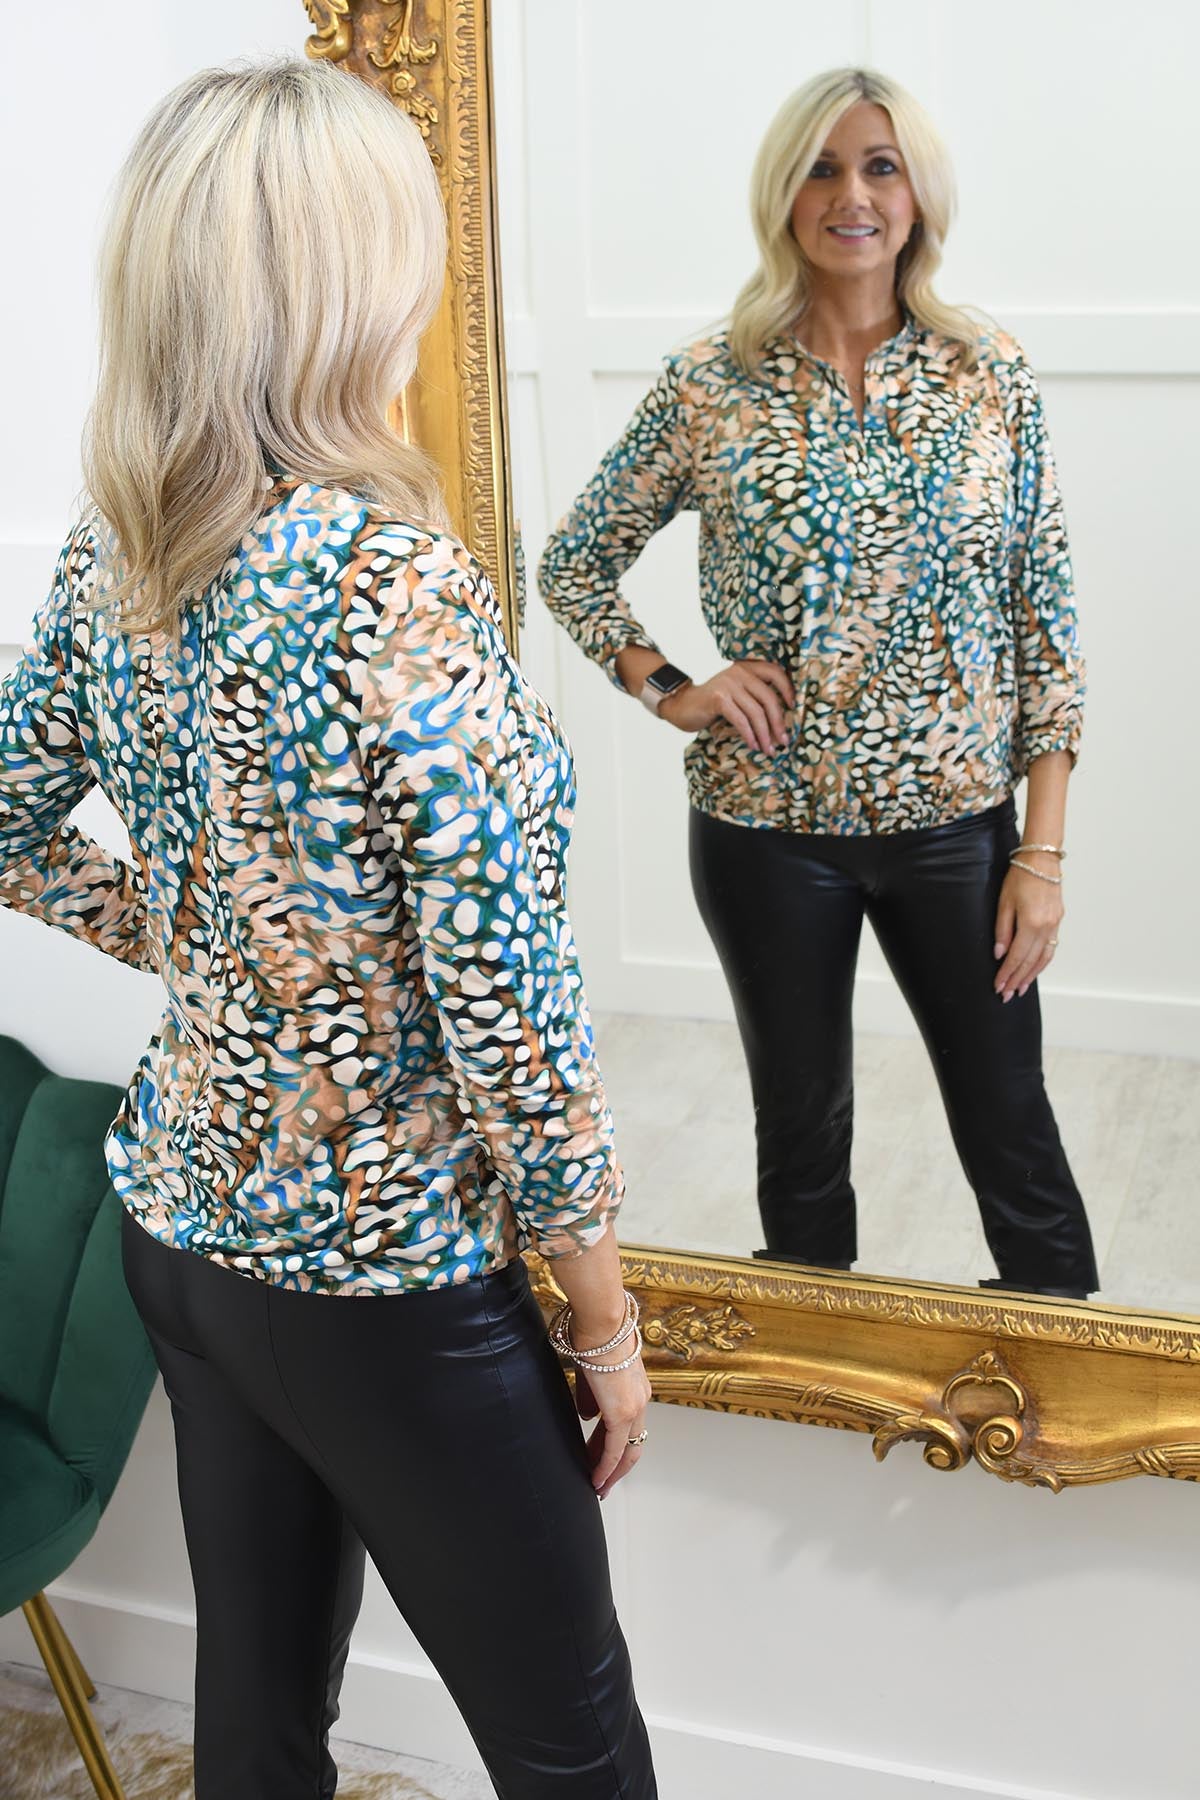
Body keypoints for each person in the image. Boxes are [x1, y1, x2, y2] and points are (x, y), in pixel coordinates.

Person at [0, 58, 657, 1800]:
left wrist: (215, 944)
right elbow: (507, 1007)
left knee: (260, 1717)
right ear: (351, 280)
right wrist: (601, 1318)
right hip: (382, 1283)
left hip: (186, 1236)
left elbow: (4, 816)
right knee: (577, 1754)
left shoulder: (117, 551)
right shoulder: (392, 587)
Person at [538, 66, 1098, 1301]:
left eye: (880, 167)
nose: (853, 195)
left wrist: (1042, 853)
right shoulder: (710, 382)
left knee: (1012, 1128)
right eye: (823, 169)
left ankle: (1067, 1376)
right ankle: (815, 1380)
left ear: (918, 194)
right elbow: (573, 562)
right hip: (765, 832)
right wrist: (672, 687)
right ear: (783, 195)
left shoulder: (987, 372)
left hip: (957, 831)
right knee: (801, 1136)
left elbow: (1045, 626)